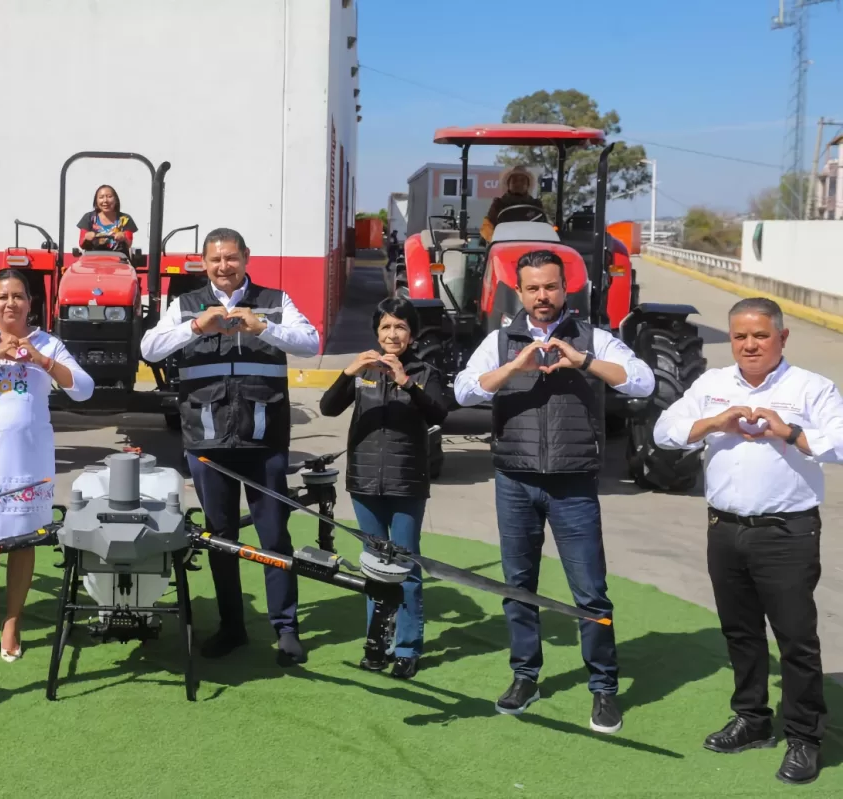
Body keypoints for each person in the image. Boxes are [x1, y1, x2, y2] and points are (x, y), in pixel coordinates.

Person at [452, 249, 655, 734]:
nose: (542, 296)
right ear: (518, 292)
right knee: (517, 587)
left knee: (591, 593)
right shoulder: (500, 341)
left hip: (573, 485)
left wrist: (584, 361)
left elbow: (643, 382)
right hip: (515, 481)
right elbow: (463, 391)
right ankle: (526, 677)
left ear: (566, 288)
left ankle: (603, 687)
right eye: (533, 288)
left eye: (550, 286)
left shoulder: (594, 338)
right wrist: (515, 367)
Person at [653, 297, 842, 786]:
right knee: (740, 632)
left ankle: (804, 736)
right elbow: (665, 430)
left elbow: (841, 443)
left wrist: (789, 432)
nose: (749, 345)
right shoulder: (712, 385)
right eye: (740, 336)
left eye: (760, 335)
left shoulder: (812, 388)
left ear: (782, 337)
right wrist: (714, 423)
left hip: (787, 532)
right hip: (725, 529)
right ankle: (752, 718)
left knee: (796, 639)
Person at [140, 227, 321, 666]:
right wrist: (195, 326)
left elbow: (311, 343)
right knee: (220, 539)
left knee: (274, 536)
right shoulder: (186, 305)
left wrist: (264, 326)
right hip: (206, 438)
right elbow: (149, 349)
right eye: (216, 259)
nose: (224, 266)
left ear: (246, 257)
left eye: (231, 258)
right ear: (204, 263)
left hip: (264, 439)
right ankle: (232, 627)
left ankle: (286, 629)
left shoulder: (274, 300)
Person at [0, 268, 93, 663]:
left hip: (31, 460)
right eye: (3, 297)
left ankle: (12, 621)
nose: (11, 303)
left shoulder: (47, 343)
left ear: (30, 303)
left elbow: (84, 389)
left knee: (24, 544)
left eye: (18, 296)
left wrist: (41, 359)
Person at [318, 297, 449, 678]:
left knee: (405, 567)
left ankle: (407, 648)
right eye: (386, 327)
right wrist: (349, 372)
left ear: (412, 334)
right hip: (364, 482)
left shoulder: (424, 372)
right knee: (374, 566)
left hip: (406, 483)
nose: (393, 335)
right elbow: (328, 407)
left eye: (401, 327)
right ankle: (378, 644)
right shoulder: (365, 371)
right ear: (377, 333)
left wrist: (406, 381)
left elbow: (439, 413)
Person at [480, 165, 546, 242]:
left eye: (522, 181)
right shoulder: (498, 204)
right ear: (508, 184)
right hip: (504, 243)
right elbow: (488, 226)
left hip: (531, 244)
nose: (518, 183)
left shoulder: (536, 204)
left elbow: (543, 227)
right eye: (514, 181)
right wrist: (495, 241)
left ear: (528, 185)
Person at [76, 184, 138, 252]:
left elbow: (129, 244)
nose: (105, 200)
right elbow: (81, 244)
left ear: (115, 200)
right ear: (96, 201)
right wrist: (86, 237)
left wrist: (124, 237)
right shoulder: (88, 217)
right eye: (101, 197)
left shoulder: (125, 219)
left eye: (109, 196)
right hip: (92, 257)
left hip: (119, 257)